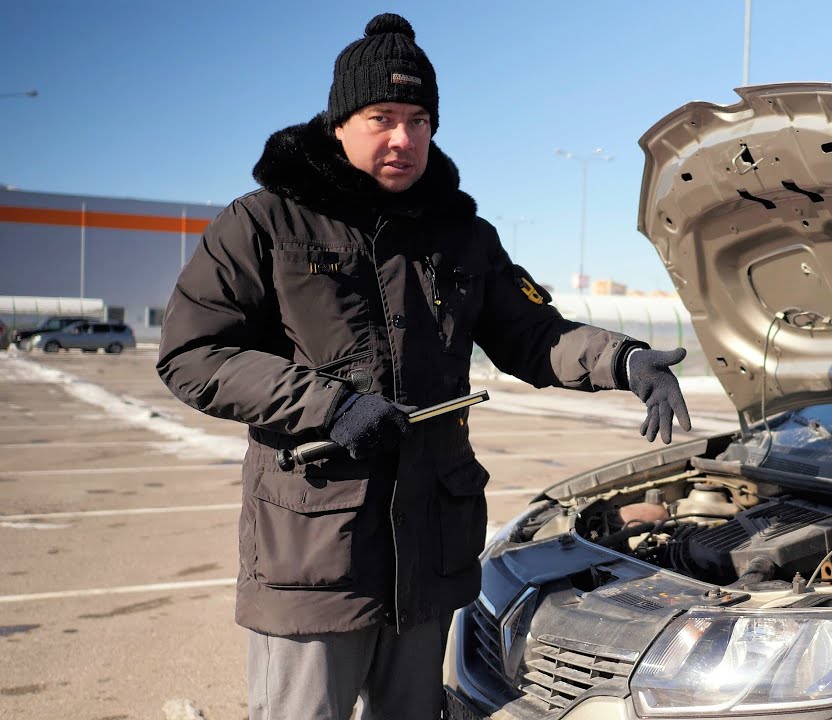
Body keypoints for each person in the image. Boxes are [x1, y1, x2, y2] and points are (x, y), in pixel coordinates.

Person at [156, 12, 690, 719]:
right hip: (314, 552)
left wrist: (624, 360)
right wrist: (331, 408)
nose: (403, 139)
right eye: (382, 117)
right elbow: (194, 354)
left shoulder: (463, 236)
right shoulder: (265, 224)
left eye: (418, 120)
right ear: (341, 121)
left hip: (429, 549)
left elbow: (532, 334)